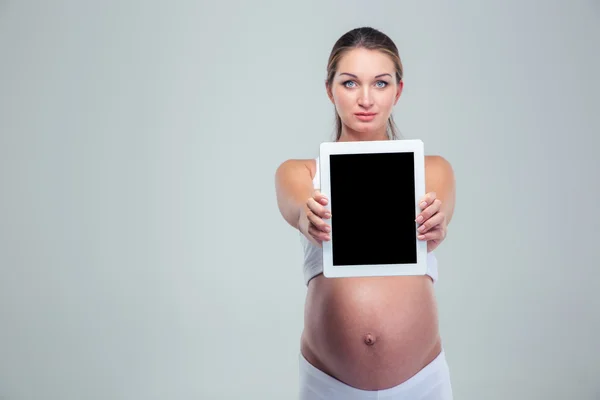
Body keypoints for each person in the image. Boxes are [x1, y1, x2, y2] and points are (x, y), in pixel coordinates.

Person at [275, 27, 457, 400]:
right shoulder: (302, 173)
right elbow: (295, 203)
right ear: (330, 90)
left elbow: (441, 209)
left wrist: (437, 222)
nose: (365, 99)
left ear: (398, 91)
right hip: (329, 384)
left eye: (380, 83)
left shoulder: (431, 170)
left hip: (421, 382)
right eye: (350, 83)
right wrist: (306, 215)